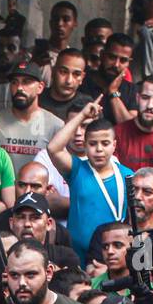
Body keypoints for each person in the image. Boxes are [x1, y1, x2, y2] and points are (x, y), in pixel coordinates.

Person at [47, 98, 133, 260]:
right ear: (85, 146)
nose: (99, 149)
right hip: (78, 257)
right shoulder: (78, 169)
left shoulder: (127, 175)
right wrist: (82, 115)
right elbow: (53, 148)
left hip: (114, 257)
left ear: (114, 145)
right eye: (93, 144)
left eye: (105, 143)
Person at [0, 63, 64, 176]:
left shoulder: (55, 125)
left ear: (40, 87)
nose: (19, 88)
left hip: (39, 192)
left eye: (26, 82)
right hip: (3, 191)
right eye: (15, 82)